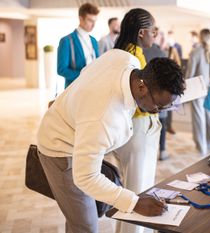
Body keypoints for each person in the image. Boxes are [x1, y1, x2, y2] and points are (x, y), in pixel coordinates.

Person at [37, 51, 185, 232]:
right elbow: (86, 177)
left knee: (78, 215)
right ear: (141, 88)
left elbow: (86, 73)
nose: (160, 112)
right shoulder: (103, 117)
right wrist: (135, 203)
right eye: (159, 105)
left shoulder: (124, 58)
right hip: (59, 149)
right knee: (86, 225)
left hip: (78, 131)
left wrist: (71, 104)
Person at [112, 8, 162, 232]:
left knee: (138, 188)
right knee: (136, 191)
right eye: (154, 30)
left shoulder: (129, 52)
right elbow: (138, 99)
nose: (156, 34)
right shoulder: (132, 57)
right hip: (137, 128)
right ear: (142, 32)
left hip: (140, 128)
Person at [185, 28, 210, 156]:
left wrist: (185, 86)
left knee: (199, 118)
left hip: (197, 89)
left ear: (200, 37)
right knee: (209, 117)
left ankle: (202, 148)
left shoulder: (196, 51)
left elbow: (190, 73)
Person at [143, 28, 171, 160]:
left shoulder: (140, 50)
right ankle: (163, 150)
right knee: (162, 124)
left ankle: (148, 151)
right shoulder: (161, 52)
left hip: (142, 97)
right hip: (159, 95)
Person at [57, 3, 100, 88]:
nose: (93, 25)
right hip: (75, 90)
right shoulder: (66, 41)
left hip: (94, 87)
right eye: (90, 20)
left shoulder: (94, 40)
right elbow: (61, 69)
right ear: (81, 19)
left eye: (95, 21)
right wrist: (84, 76)